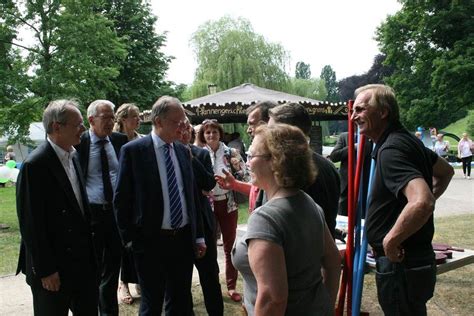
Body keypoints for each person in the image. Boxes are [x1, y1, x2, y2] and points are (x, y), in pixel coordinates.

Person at [350, 84, 454, 315]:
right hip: (414, 260)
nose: (354, 116)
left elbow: (422, 201)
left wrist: (391, 241)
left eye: (361, 109)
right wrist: (415, 209)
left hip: (401, 263)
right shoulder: (407, 140)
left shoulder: (391, 149)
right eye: (353, 110)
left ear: (383, 112)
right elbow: (446, 171)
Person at [232, 123, 341, 315]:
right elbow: (332, 263)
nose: (247, 162)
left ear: (275, 161)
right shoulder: (308, 202)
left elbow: (273, 299)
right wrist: (326, 308)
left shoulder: (265, 218)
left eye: (251, 155)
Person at [114, 96, 206, 315]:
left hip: (182, 240)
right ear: (158, 122)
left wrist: (198, 236)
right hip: (149, 242)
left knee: (181, 300)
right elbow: (121, 199)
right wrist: (129, 240)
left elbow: (191, 197)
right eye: (177, 122)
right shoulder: (134, 151)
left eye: (184, 121)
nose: (183, 127)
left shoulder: (184, 151)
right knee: (152, 303)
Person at [16, 100, 98, 315]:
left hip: (81, 263)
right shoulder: (35, 166)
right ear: (56, 127)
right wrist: (46, 270)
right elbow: (31, 223)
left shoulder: (73, 155)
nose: (83, 129)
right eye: (78, 124)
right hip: (54, 269)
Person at [75, 100, 128, 315]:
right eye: (105, 117)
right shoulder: (80, 143)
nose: (111, 121)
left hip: (115, 214)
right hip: (92, 213)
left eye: (112, 116)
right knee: (93, 268)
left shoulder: (119, 140)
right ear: (91, 120)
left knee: (113, 268)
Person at [266, 103, 341, 238]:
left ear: (288, 132)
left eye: (272, 130)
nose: (267, 136)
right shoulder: (329, 166)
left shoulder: (291, 172)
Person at [179, 119, 224, 316]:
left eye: (188, 127)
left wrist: (191, 158)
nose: (185, 131)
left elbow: (208, 184)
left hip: (203, 223)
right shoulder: (164, 156)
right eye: (181, 127)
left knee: (210, 275)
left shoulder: (201, 154)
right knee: (181, 279)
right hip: (179, 225)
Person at [198, 119, 244, 302]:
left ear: (220, 133)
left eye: (214, 132)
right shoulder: (199, 153)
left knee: (229, 246)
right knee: (207, 246)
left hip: (228, 203)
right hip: (207, 205)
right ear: (203, 135)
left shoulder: (231, 152)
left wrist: (236, 173)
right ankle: (213, 284)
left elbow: (245, 175)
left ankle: (231, 286)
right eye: (207, 132)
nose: (211, 135)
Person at [215, 101, 277, 213]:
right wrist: (235, 184)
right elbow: (258, 191)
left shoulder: (282, 160)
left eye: (252, 124)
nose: (248, 130)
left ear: (269, 122)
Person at [112, 102, 142, 304]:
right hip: (121, 198)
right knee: (123, 243)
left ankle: (139, 279)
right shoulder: (113, 141)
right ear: (123, 119)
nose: (138, 120)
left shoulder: (142, 140)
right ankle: (123, 284)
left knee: (137, 242)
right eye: (134, 116)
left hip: (139, 199)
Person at [330, 132, 372, 216]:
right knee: (343, 213)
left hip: (365, 183)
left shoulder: (371, 137)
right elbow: (334, 156)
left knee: (364, 213)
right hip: (347, 185)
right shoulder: (344, 137)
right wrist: (353, 147)